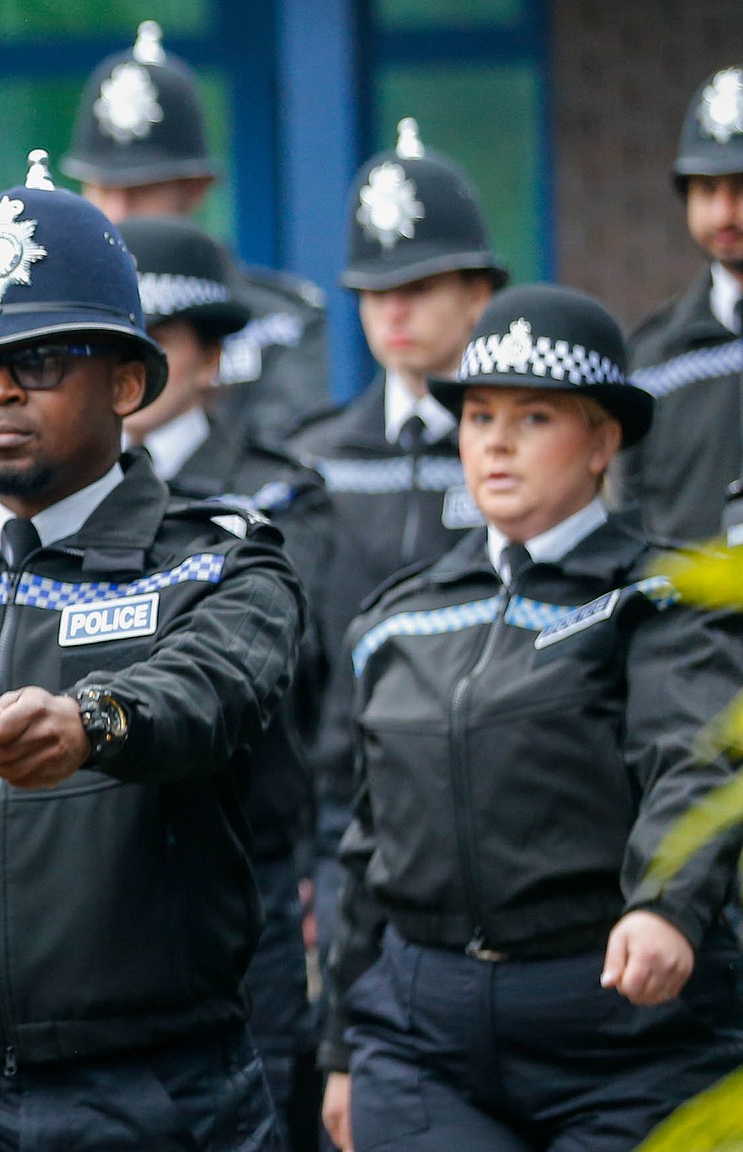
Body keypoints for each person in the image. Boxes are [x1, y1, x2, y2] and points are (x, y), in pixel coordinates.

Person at [0, 153, 302, 1151]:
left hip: (156, 1088)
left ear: (127, 381)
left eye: (40, 361)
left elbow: (212, 687)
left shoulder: (218, 564)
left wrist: (95, 722)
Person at [322, 284, 743, 1152]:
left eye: (535, 417)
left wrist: (666, 908)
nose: (497, 442)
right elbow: (370, 845)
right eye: (479, 417)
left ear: (602, 442)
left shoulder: (662, 597)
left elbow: (696, 760)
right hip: (421, 1040)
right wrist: (341, 1048)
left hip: (626, 1030)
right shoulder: (398, 620)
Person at [120, 214, 332, 1139]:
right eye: (118, 342)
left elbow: (303, 673)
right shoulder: (54, 497)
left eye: (160, 342)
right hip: (100, 875)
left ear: (211, 359)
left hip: (247, 865)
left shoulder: (277, 494)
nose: (136, 370)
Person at [289, 118, 507, 983]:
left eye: (418, 285)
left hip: (498, 811)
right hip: (344, 818)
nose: (395, 311)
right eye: (375, 291)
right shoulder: (319, 460)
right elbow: (299, 669)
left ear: (479, 294)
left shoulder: (525, 455)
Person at [62, 20, 329, 443]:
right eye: (102, 189)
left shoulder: (278, 321)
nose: (117, 212)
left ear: (196, 189)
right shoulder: (57, 310)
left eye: (140, 189)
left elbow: (290, 448)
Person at [617, 65, 743, 540]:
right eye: (707, 189)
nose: (724, 213)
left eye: (741, 187)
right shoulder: (652, 357)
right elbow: (631, 515)